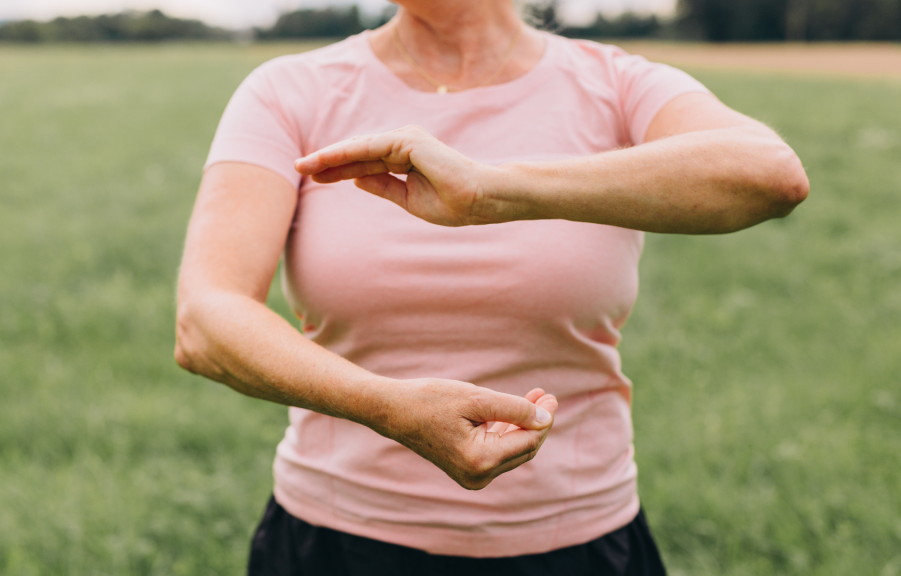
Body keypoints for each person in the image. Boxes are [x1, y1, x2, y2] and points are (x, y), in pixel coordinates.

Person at [174, 0, 809, 574]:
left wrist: (495, 190)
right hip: (334, 542)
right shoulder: (289, 91)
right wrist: (385, 407)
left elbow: (771, 174)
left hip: (579, 543)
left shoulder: (616, 84)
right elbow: (204, 319)